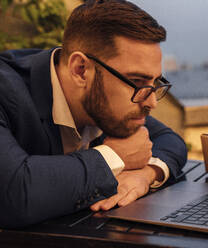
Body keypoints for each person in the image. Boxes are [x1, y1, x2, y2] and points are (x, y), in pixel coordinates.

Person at [0, 0, 187, 228]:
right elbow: (14, 193)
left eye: (155, 82)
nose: (151, 102)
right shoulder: (7, 91)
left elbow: (169, 140)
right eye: (137, 81)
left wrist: (146, 174)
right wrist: (115, 157)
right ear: (81, 70)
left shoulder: (113, 104)